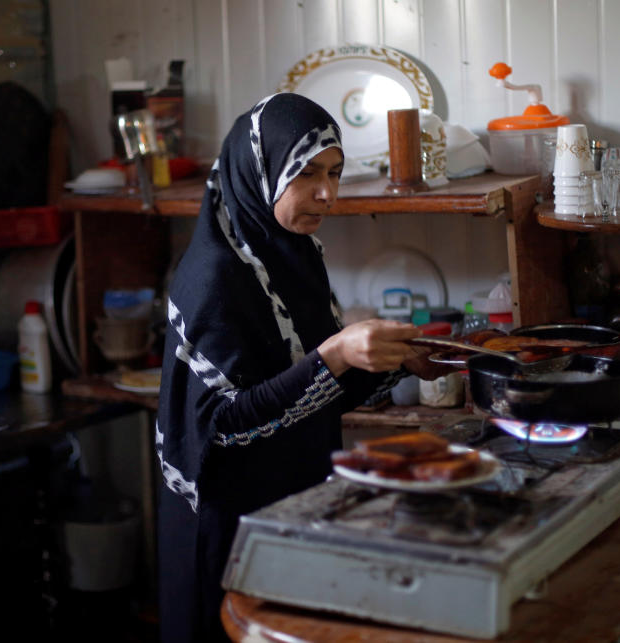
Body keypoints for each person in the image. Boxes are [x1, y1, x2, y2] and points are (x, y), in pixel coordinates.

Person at [155, 93, 446, 642]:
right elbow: (227, 427)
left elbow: (309, 398)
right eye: (307, 173)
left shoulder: (294, 254)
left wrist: (400, 363)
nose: (327, 194)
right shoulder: (215, 275)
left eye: (335, 173)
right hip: (229, 528)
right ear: (259, 170)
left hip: (291, 504)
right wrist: (334, 354)